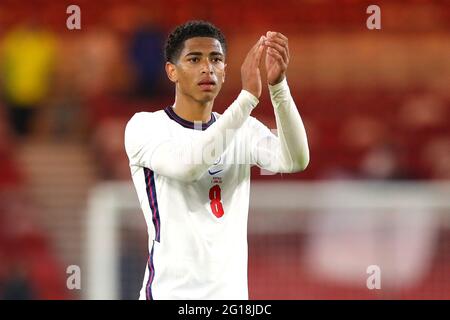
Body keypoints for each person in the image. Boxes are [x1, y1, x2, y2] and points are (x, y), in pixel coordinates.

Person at [124, 20, 309, 300]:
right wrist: (246, 99)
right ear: (171, 71)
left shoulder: (243, 128)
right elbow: (188, 167)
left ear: (224, 72)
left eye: (216, 59)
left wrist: (278, 87)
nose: (207, 68)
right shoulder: (145, 127)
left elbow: (294, 160)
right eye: (194, 59)